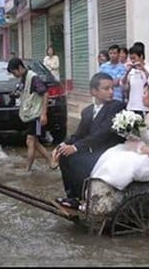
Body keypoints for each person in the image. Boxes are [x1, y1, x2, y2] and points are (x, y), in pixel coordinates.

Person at [88, 74, 149, 213]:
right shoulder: (148, 116)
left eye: (145, 93)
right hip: (146, 154)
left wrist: (142, 149)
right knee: (113, 154)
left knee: (127, 162)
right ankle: (100, 198)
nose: (141, 96)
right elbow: (144, 138)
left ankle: (111, 202)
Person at [53, 72, 126, 209]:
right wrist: (63, 145)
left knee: (77, 159)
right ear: (94, 91)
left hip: (108, 151)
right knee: (64, 156)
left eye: (112, 88)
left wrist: (76, 148)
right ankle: (73, 197)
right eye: (106, 88)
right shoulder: (87, 111)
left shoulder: (116, 107)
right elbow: (79, 134)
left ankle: (84, 197)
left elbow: (102, 133)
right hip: (92, 149)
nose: (111, 92)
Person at [7, 57, 57, 172]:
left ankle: (28, 169)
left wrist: (44, 114)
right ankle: (51, 161)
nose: (14, 75)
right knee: (35, 142)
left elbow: (45, 93)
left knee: (30, 141)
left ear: (19, 68)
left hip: (37, 116)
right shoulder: (24, 78)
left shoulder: (33, 78)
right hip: (31, 115)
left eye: (14, 72)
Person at [122, 44, 149, 116]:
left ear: (141, 56)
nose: (132, 61)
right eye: (131, 58)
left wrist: (143, 69)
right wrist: (127, 72)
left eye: (134, 58)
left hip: (144, 107)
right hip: (131, 106)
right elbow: (124, 85)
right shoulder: (131, 70)